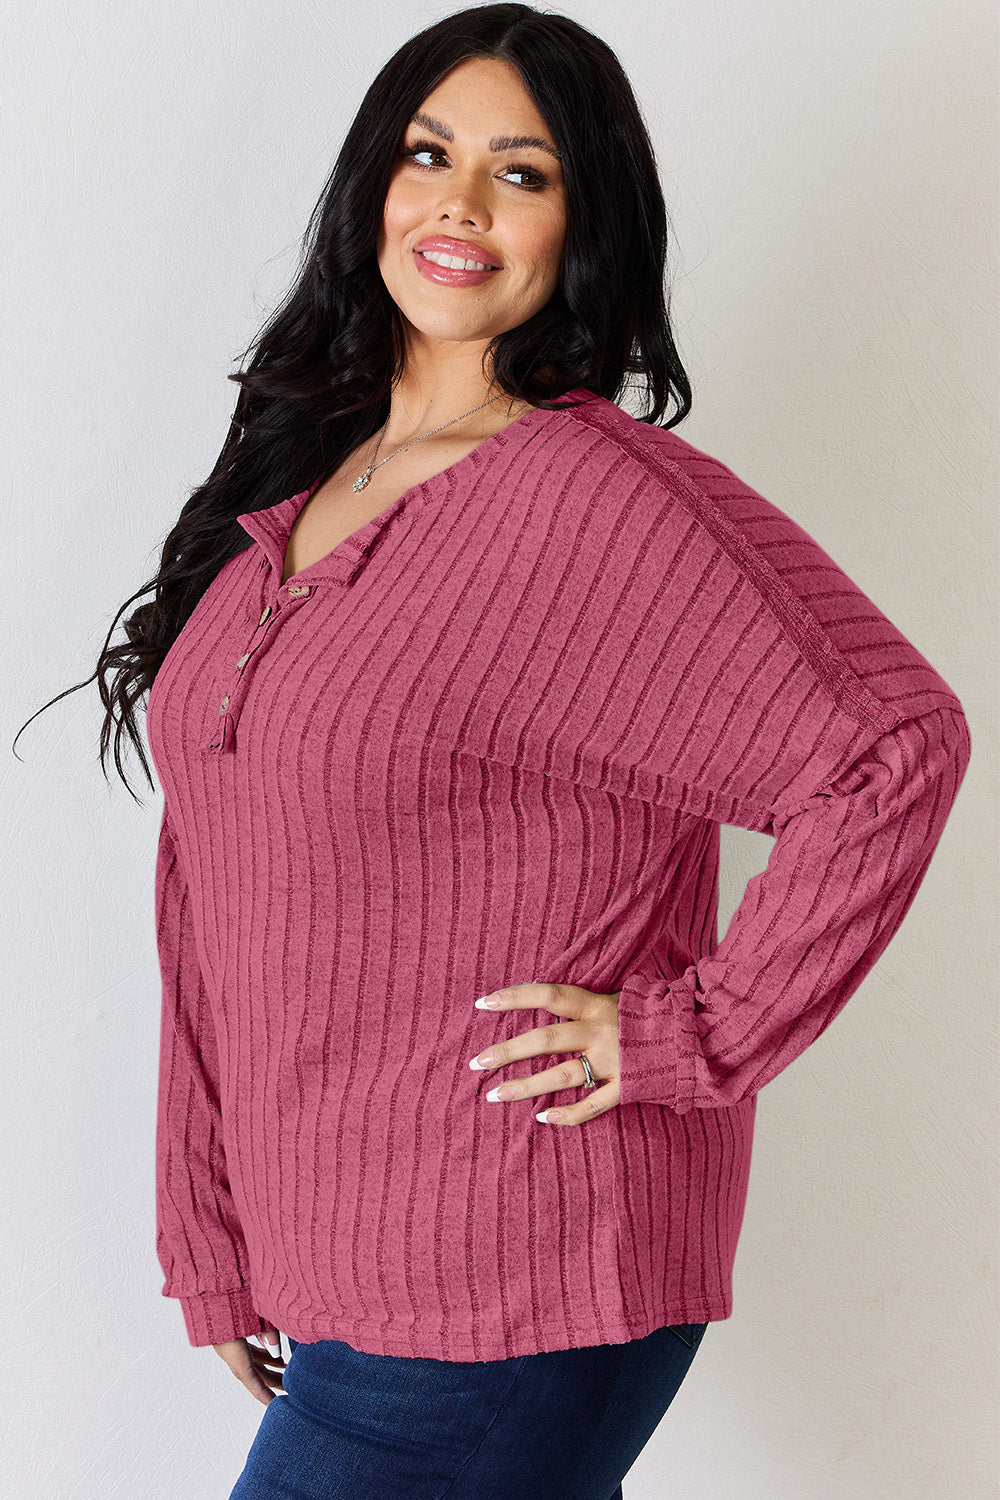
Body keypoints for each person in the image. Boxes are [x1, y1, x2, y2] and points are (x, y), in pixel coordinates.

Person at [15, 5, 971, 1497]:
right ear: (371, 190)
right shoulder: (306, 476)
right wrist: (205, 1223)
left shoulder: (595, 501)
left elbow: (891, 748)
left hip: (516, 1267)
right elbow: (213, 884)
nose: (461, 202)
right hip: (348, 1266)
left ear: (584, 223)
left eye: (522, 174)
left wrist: (684, 1035)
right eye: (429, 154)